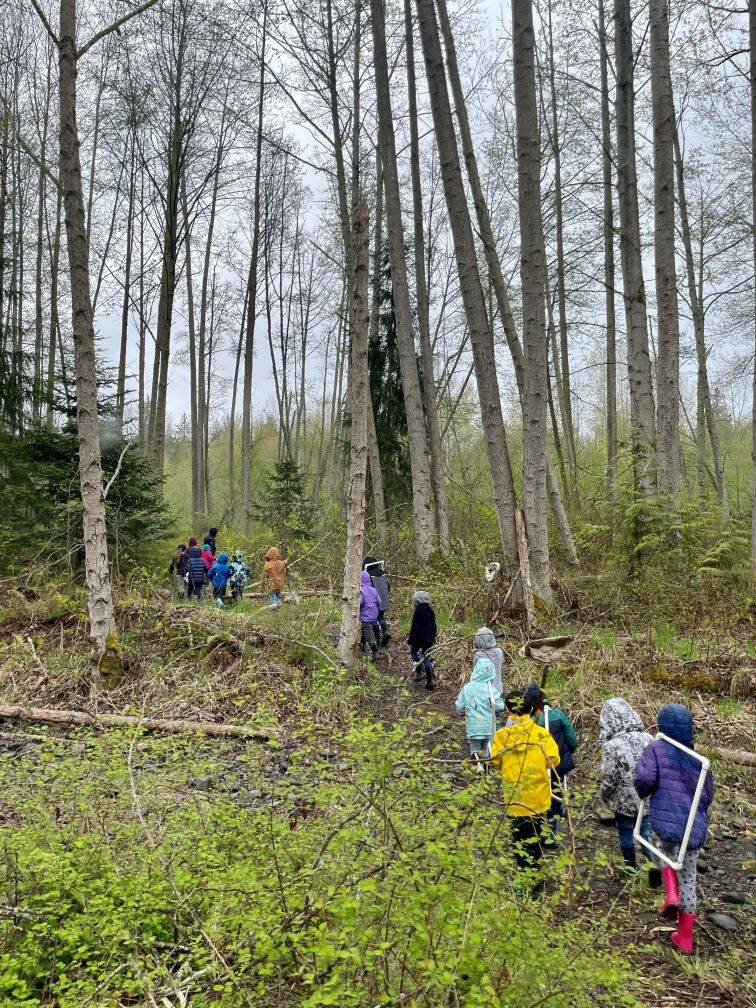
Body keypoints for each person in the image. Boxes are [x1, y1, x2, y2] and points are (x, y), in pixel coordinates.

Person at [634, 703, 714, 956]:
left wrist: (644, 793)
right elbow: (707, 794)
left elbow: (645, 779)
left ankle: (670, 894)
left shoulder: (656, 749)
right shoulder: (698, 760)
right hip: (693, 826)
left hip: (666, 821)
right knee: (689, 878)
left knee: (664, 850)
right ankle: (686, 938)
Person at [490, 689, 559, 889]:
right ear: (531, 709)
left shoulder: (502, 736)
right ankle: (535, 878)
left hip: (514, 798)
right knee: (535, 837)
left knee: (519, 840)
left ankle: (524, 880)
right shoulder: (540, 734)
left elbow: (495, 761)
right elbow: (553, 759)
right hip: (538, 799)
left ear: (508, 709)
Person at [598, 698, 660, 887]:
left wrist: (604, 796)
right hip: (646, 798)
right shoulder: (649, 738)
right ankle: (653, 867)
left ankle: (630, 869)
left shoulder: (611, 746)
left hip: (623, 801)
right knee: (645, 832)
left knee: (625, 835)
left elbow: (610, 777)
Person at [524, 684, 578, 842]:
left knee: (537, 796)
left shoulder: (529, 721)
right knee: (556, 797)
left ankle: (537, 833)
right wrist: (568, 752)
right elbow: (571, 739)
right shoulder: (558, 715)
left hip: (536, 766)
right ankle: (552, 835)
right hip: (558, 765)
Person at [454, 656, 504, 768]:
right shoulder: (491, 689)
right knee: (486, 747)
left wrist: (461, 711)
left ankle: (478, 765)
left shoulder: (467, 688)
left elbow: (460, 705)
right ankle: (485, 765)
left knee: (475, 748)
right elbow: (500, 706)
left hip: (473, 726)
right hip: (488, 726)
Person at [407, 591, 437, 690]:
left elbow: (415, 627)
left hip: (419, 638)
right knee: (426, 657)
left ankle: (419, 672)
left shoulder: (418, 611)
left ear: (417, 600)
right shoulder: (430, 611)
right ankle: (429, 681)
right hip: (429, 639)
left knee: (414, 654)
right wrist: (432, 638)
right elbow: (434, 626)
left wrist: (412, 640)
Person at [364, 557, 391, 645]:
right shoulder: (383, 573)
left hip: (374, 601)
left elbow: (368, 589)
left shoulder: (368, 575)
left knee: (374, 620)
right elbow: (388, 586)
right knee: (381, 617)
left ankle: (377, 639)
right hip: (384, 598)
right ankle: (386, 631)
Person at [473, 627, 507, 695]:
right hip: (498, 689)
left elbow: (476, 672)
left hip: (483, 692)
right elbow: (501, 663)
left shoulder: (478, 655)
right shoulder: (499, 652)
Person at [359, 571, 382, 662]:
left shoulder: (361, 590)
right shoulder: (373, 589)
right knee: (364, 629)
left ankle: (375, 653)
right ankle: (362, 644)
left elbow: (360, 602)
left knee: (368, 634)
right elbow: (379, 601)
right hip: (374, 615)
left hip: (366, 616)